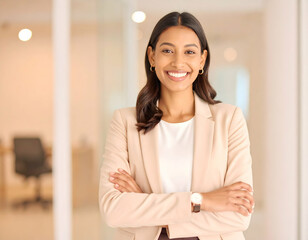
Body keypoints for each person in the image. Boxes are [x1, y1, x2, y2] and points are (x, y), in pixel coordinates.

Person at [99, 12, 254, 240]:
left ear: (202, 60)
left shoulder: (229, 119)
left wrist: (144, 202)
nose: (178, 62)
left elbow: (239, 215)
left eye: (189, 52)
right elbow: (113, 211)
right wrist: (201, 200)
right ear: (152, 56)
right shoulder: (124, 122)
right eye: (167, 51)